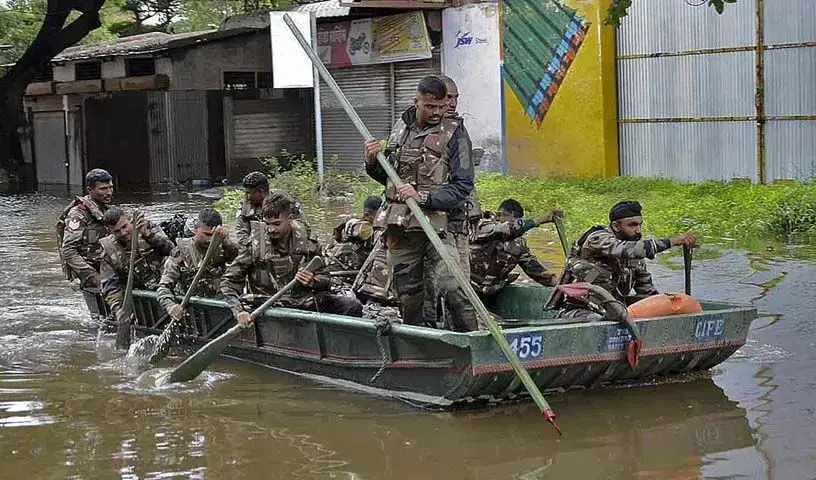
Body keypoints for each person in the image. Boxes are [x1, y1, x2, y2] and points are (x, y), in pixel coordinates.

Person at [362, 75, 476, 332]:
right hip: (402, 228)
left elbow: (463, 186)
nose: (437, 112)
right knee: (408, 295)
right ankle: (420, 343)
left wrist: (422, 197)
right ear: (417, 101)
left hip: (441, 226)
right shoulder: (400, 128)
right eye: (430, 106)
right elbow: (388, 177)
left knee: (453, 285)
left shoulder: (455, 133)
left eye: (441, 106)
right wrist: (371, 162)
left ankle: (473, 341)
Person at [221, 192, 363, 327]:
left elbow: (326, 279)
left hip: (302, 304)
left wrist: (313, 281)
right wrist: (239, 311)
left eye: (276, 224)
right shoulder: (256, 245)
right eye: (267, 224)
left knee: (352, 306)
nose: (270, 229)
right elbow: (229, 282)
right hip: (267, 306)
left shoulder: (308, 243)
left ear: (290, 219)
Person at [553, 200, 697, 318]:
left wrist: (668, 306)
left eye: (640, 224)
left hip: (614, 313)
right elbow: (626, 249)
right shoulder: (598, 238)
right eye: (632, 225)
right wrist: (674, 241)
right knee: (598, 321)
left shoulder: (634, 255)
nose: (638, 230)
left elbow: (646, 291)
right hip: (580, 311)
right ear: (616, 226)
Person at [99, 207, 175, 345]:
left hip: (164, 287)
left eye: (124, 226)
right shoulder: (108, 250)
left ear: (129, 219)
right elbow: (110, 285)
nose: (123, 233)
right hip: (139, 299)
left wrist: (148, 236)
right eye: (117, 231)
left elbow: (172, 251)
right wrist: (119, 309)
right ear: (110, 230)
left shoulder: (148, 228)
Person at [157, 209, 240, 322]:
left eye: (213, 236)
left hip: (222, 308)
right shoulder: (181, 253)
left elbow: (242, 259)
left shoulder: (224, 248)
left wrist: (227, 243)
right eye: (206, 234)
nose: (210, 240)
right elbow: (164, 286)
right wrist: (170, 306)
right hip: (194, 313)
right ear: (196, 229)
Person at [470, 199, 562, 299]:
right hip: (466, 286)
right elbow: (508, 229)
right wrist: (541, 219)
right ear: (499, 215)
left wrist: (559, 283)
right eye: (514, 222)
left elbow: (534, 269)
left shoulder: (517, 244)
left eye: (519, 222)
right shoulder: (482, 225)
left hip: (489, 291)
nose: (518, 227)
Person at [58, 168, 114, 320]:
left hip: (108, 272)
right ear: (90, 190)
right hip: (91, 277)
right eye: (103, 189)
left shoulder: (106, 211)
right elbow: (68, 251)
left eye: (110, 188)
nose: (108, 192)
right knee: (99, 322)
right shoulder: (78, 214)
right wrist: (93, 277)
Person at [324, 195, 382, 273]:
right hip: (347, 265)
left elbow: (335, 236)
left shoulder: (349, 220)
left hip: (334, 259)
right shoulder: (367, 229)